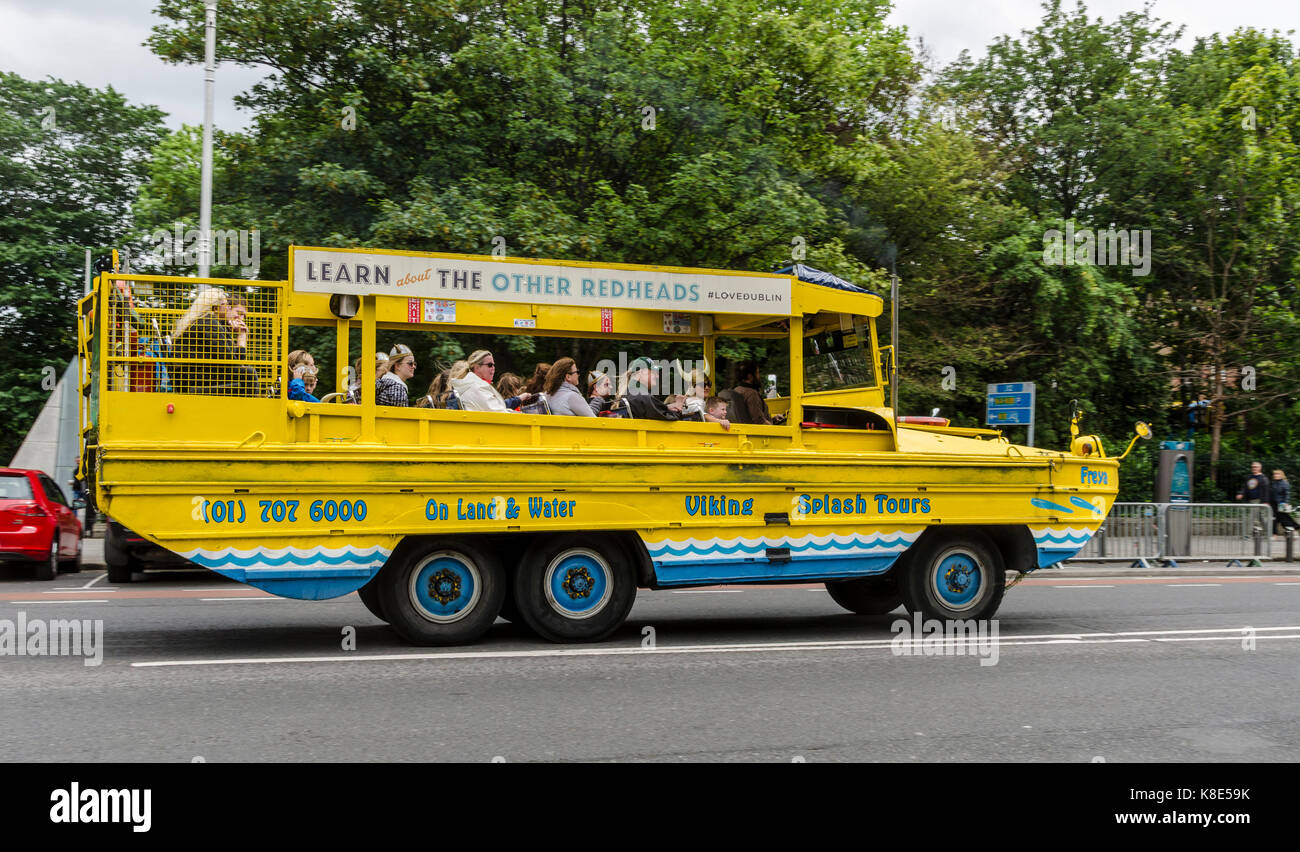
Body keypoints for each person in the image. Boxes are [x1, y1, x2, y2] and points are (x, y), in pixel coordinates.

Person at [171, 288, 258, 395]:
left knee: (245, 374)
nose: (228, 307)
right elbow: (232, 363)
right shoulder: (210, 324)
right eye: (226, 305)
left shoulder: (206, 322)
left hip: (193, 377)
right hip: (195, 381)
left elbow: (230, 362)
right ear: (216, 308)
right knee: (248, 374)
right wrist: (241, 338)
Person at [451, 350, 526, 412]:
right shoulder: (476, 388)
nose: (493, 368)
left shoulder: (472, 385)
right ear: (477, 368)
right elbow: (499, 413)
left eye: (494, 365)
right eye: (490, 365)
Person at [728, 360, 784, 425]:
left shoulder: (736, 390)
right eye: (757, 373)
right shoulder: (752, 394)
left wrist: (773, 420)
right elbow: (759, 421)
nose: (759, 376)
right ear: (750, 376)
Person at [1271, 470, 1297, 535]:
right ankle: (1275, 533)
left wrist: (1286, 502)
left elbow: (1287, 494)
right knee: (1275, 519)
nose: (1275, 475)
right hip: (1274, 504)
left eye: (1277, 474)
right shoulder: (1273, 482)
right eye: (1275, 474)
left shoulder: (1285, 483)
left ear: (1281, 475)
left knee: (1283, 518)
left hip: (1281, 504)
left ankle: (1293, 530)